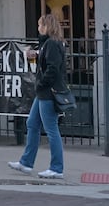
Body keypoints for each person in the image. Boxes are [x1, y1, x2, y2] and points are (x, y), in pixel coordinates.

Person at [9, 12, 68, 180]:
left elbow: (52, 69)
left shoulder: (52, 44)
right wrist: (34, 56)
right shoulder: (49, 44)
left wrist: (41, 83)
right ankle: (26, 162)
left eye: (40, 25)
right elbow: (45, 65)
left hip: (48, 92)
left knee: (51, 129)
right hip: (44, 92)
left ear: (47, 27)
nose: (38, 28)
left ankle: (56, 167)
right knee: (32, 123)